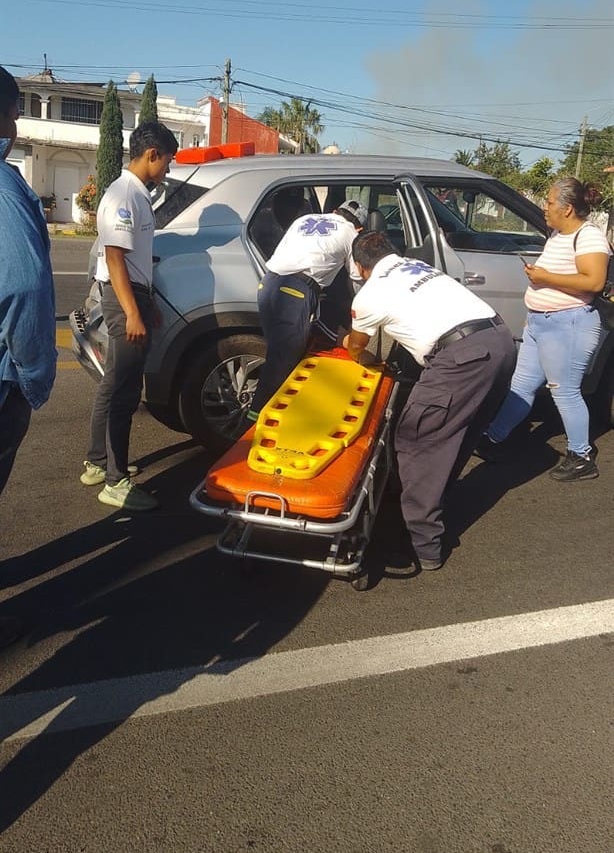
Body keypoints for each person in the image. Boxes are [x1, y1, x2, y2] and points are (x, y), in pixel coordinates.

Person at [343, 231, 516, 570]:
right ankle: (432, 499)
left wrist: (355, 348)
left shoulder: (370, 293)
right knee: (457, 432)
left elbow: (355, 347)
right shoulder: (416, 266)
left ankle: (421, 545)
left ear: (361, 267)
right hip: (500, 342)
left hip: (462, 359)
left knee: (417, 439)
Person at [476, 177, 610, 481]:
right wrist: (535, 310)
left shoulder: (588, 236)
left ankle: (582, 456)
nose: (544, 207)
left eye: (550, 202)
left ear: (568, 208)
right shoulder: (558, 234)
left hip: (569, 324)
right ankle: (494, 438)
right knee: (521, 386)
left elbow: (594, 282)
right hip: (542, 323)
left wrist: (546, 278)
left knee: (564, 392)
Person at [81, 121, 178, 510]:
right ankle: (115, 482)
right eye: (168, 160)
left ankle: (98, 461)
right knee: (124, 391)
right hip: (122, 298)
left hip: (131, 295)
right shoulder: (125, 195)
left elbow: (132, 260)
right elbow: (115, 258)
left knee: (112, 385)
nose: (168, 168)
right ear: (152, 154)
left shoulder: (135, 193)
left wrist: (145, 304)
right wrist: (132, 312)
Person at [0, 66, 57, 648]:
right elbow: (22, 288)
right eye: (13, 114)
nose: (16, 126)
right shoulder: (4, 188)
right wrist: (35, 376)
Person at [248, 199, 368, 420]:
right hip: (296, 291)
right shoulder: (351, 234)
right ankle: (253, 423)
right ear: (359, 227)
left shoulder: (304, 219)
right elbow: (355, 278)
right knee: (282, 360)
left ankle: (269, 414)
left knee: (277, 352)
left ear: (334, 211)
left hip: (268, 284)